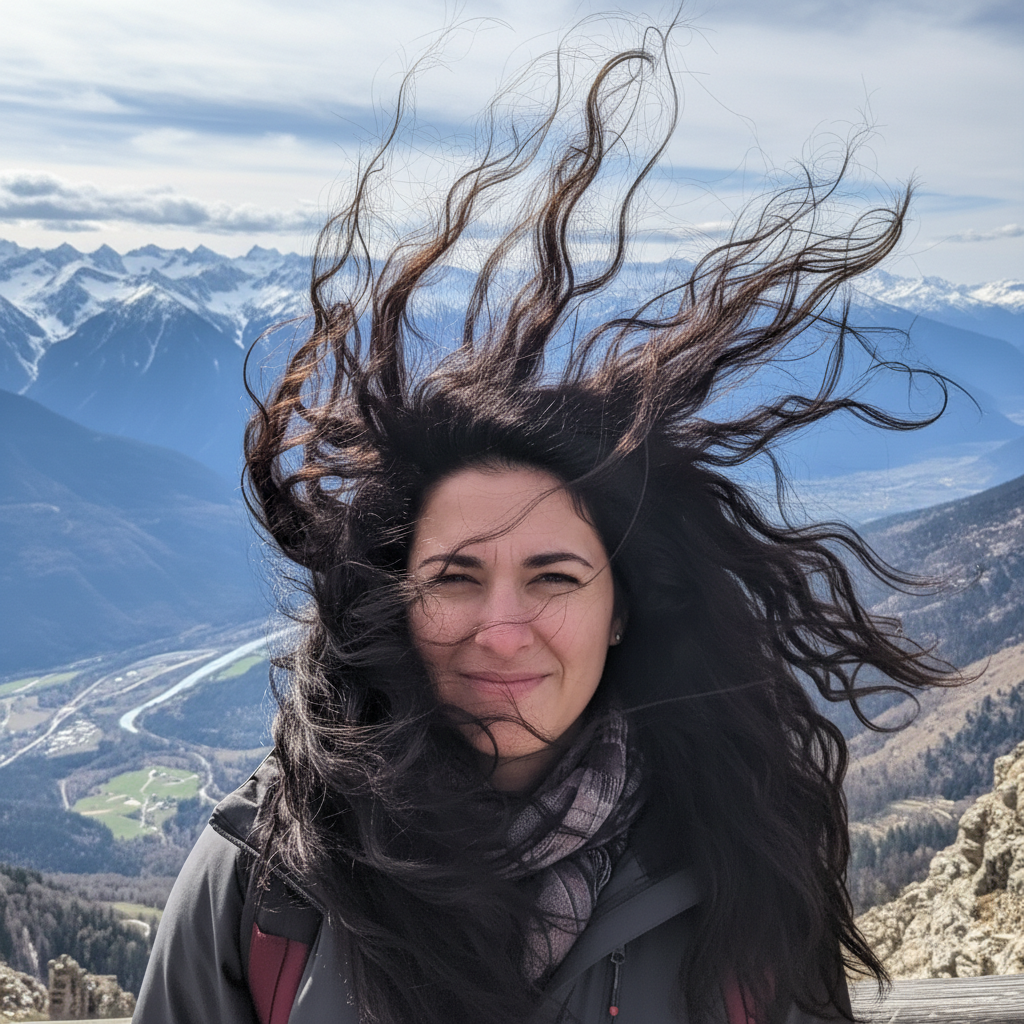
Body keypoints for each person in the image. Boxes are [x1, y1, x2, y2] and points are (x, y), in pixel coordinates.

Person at [135, 25, 956, 1024]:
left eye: (556, 577)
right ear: (395, 599)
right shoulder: (267, 879)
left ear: (622, 608)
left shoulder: (739, 862)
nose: (503, 625)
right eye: (454, 576)